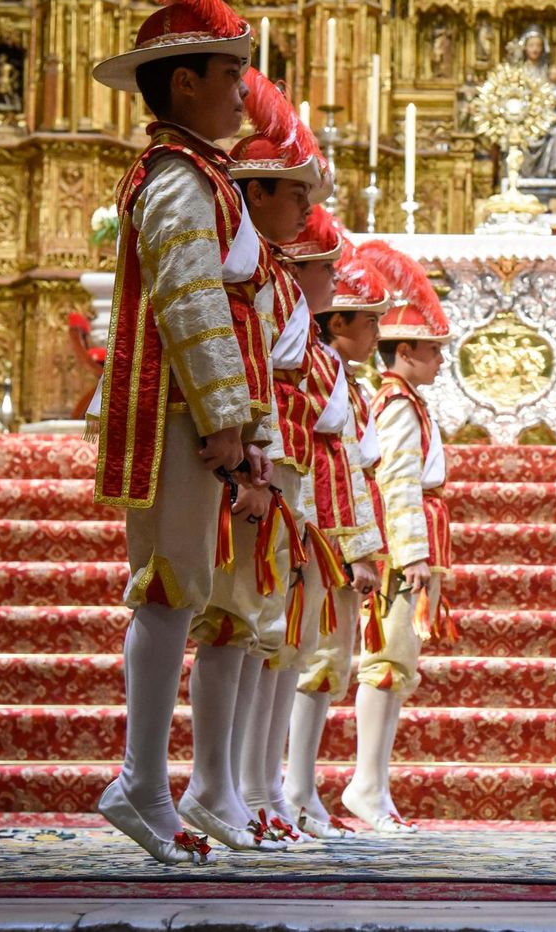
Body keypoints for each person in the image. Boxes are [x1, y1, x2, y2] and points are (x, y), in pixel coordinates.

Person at [63, 0, 268, 865]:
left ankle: (150, 781)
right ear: (183, 82)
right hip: (185, 415)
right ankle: (143, 781)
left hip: (199, 414)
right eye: (231, 74)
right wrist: (227, 421)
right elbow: (192, 304)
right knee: (168, 589)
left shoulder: (194, 174)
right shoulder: (181, 179)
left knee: (177, 593)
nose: (244, 91)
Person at [177, 73, 334, 851]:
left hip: (277, 470)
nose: (308, 212)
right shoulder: (249, 271)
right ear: (258, 189)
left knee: (259, 626)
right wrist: (255, 462)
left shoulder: (268, 273)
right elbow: (250, 369)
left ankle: (245, 785)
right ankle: (220, 784)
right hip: (251, 464)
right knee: (230, 617)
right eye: (294, 193)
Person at [338, 240, 458, 832]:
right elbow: (397, 482)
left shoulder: (408, 400)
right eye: (432, 351)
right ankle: (365, 783)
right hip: (396, 550)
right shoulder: (399, 405)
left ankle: (375, 785)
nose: (440, 361)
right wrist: (412, 554)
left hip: (406, 547)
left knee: (397, 666)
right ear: (404, 351)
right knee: (385, 662)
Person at [284, 234, 394, 837]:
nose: (378, 335)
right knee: (310, 660)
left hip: (340, 531)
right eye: (369, 322)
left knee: (327, 664)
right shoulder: (322, 372)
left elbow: (355, 467)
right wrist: (353, 548)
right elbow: (334, 464)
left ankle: (300, 789)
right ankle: (290, 791)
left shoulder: (345, 378)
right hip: (323, 530)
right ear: (337, 321)